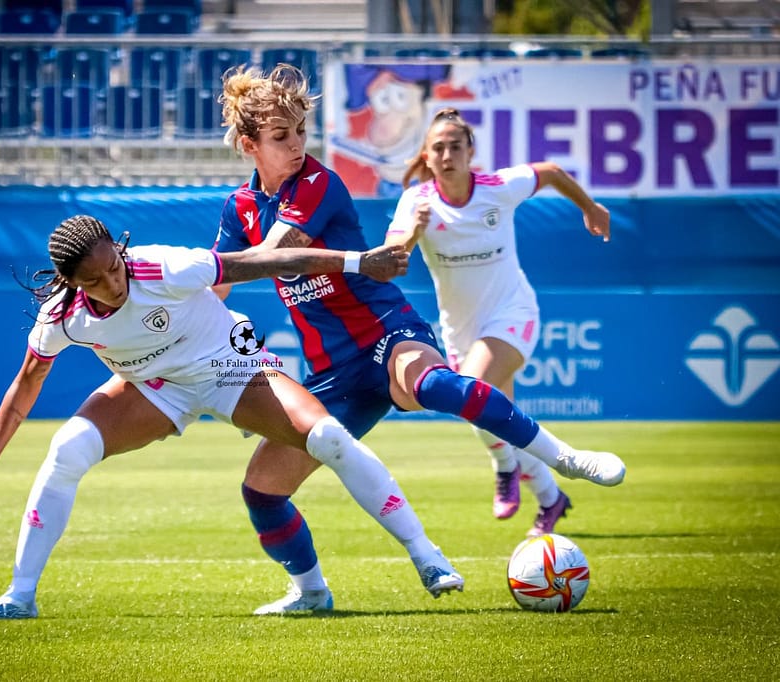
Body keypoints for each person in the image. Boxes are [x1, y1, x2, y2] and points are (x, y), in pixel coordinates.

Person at [0, 214, 465, 622]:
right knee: (67, 449)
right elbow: (25, 385)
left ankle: (427, 556)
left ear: (121, 253)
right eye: (94, 282)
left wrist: (358, 262)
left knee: (326, 436)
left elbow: (261, 262)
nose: (113, 285)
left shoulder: (164, 267)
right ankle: (20, 596)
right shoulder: (62, 318)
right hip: (153, 388)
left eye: (114, 268)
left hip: (230, 366)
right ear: (72, 284)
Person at [211, 63, 624, 572]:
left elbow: (279, 255)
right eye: (281, 136)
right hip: (332, 375)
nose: (297, 145)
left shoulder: (318, 182)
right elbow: (218, 286)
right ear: (250, 144)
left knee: (435, 385)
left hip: (385, 332)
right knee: (262, 490)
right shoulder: (240, 207)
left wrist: (177, 270)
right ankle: (310, 591)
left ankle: (565, 459)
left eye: (300, 131)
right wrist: (155, 297)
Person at [386, 107, 613, 535]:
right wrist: (414, 232)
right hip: (460, 330)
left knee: (474, 392)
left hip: (513, 314)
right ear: (427, 157)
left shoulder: (498, 188)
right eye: (439, 147)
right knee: (492, 414)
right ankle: (550, 498)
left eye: (457, 145)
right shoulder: (416, 202)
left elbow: (551, 172)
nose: (448, 153)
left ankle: (504, 465)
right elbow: (393, 256)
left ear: (471, 151)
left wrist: (590, 206)